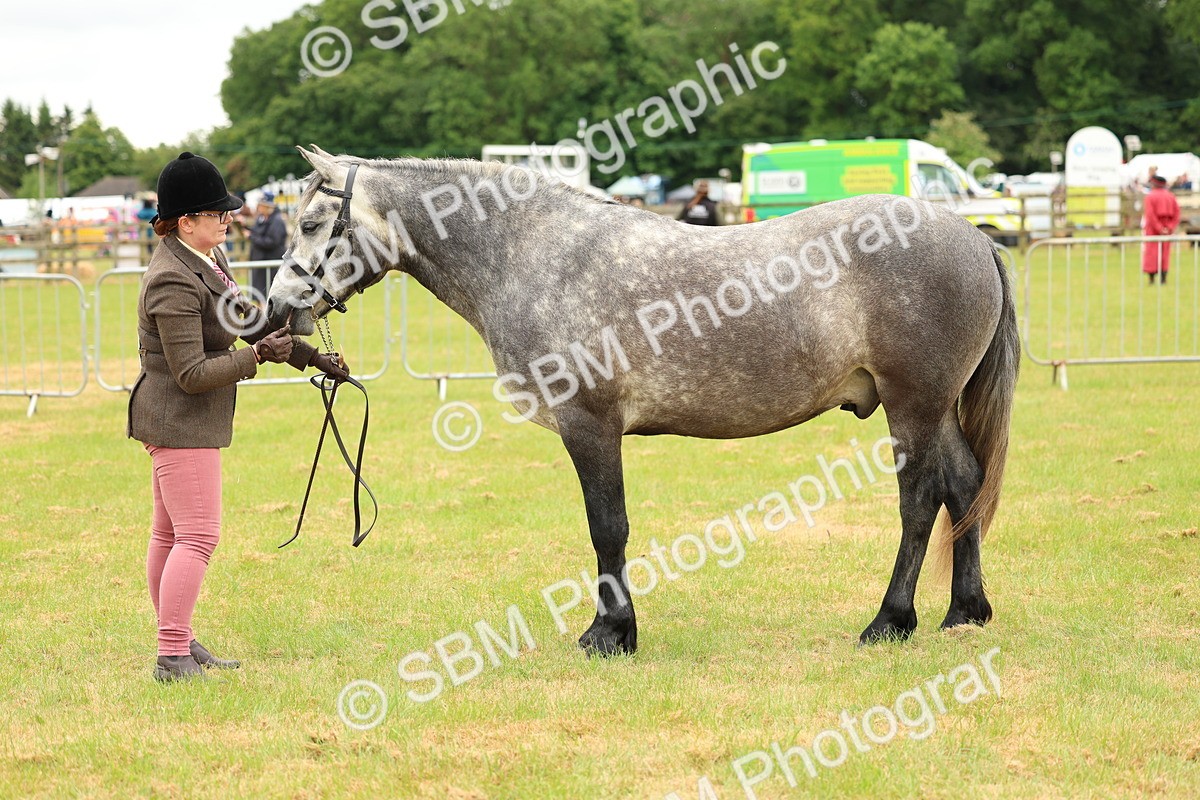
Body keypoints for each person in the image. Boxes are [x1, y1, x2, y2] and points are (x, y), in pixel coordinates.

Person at [127, 152, 350, 682]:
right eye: (217, 212)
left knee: (170, 534)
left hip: (180, 420)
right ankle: (172, 654)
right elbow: (191, 373)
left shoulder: (209, 261)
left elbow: (251, 326)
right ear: (187, 221)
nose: (229, 217)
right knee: (198, 536)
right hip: (178, 420)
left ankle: (177, 637)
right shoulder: (171, 280)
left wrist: (311, 357)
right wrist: (257, 359)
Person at [240, 190, 288, 300]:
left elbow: (272, 242)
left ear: (267, 206)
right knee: (259, 294)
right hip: (260, 262)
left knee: (269, 295)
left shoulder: (277, 221)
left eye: (261, 205)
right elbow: (258, 232)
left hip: (271, 263)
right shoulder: (261, 218)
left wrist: (251, 237)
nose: (259, 207)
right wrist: (246, 227)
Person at [1142, 174, 1180, 285]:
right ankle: (1163, 279)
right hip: (1167, 227)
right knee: (1165, 253)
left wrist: (1159, 228)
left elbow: (1150, 214)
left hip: (1153, 229)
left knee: (1152, 252)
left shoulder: (1150, 196)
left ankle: (1151, 279)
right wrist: (1170, 227)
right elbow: (1177, 213)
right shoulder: (1171, 196)